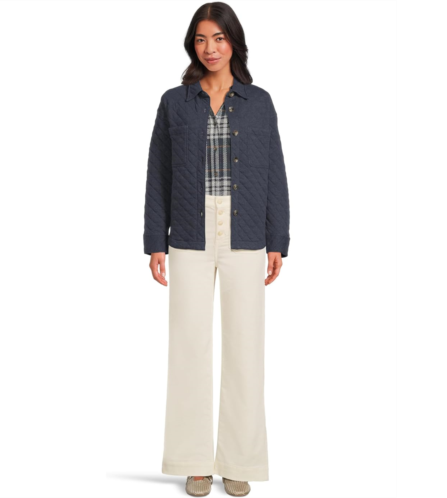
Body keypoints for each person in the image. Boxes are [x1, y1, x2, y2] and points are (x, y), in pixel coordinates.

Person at [143, 3, 290, 496]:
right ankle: (193, 460)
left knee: (245, 347)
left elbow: (275, 172)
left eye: (219, 38)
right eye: (202, 39)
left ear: (234, 43)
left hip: (245, 231)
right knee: (188, 345)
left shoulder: (259, 102)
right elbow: (158, 173)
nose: (210, 48)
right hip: (188, 231)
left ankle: (238, 460)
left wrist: (278, 238)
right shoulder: (174, 101)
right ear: (193, 44)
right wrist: (154, 241)